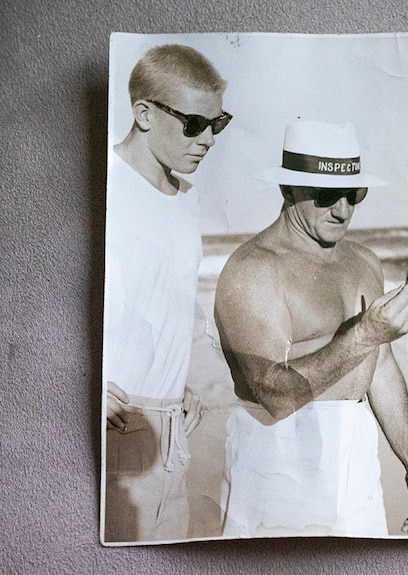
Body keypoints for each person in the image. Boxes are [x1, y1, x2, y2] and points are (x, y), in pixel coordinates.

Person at [214, 119, 408, 538]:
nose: (343, 209)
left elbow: (382, 370)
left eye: (353, 195)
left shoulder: (364, 261)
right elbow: (274, 394)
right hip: (276, 452)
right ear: (288, 190)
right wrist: (366, 334)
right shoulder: (254, 269)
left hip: (355, 454)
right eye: (326, 196)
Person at [102, 44, 231, 543]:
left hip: (174, 428)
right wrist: (81, 385)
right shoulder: (105, 186)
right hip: (116, 426)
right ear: (144, 113)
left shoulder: (186, 201)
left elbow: (168, 301)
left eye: (217, 125)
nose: (208, 140)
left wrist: (183, 380)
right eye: (195, 124)